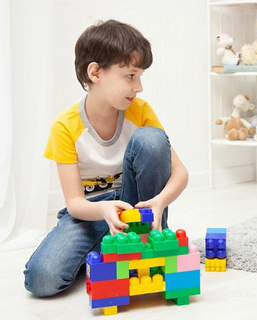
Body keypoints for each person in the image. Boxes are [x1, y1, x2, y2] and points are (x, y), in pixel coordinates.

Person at [24, 19, 188, 298]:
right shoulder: (64, 126)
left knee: (152, 138)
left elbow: (180, 173)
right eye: (130, 76)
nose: (139, 87)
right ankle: (105, 246)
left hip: (136, 205)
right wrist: (102, 211)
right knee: (42, 280)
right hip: (92, 212)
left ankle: (146, 241)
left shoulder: (140, 112)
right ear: (96, 73)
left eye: (140, 76)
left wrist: (159, 202)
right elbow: (75, 202)